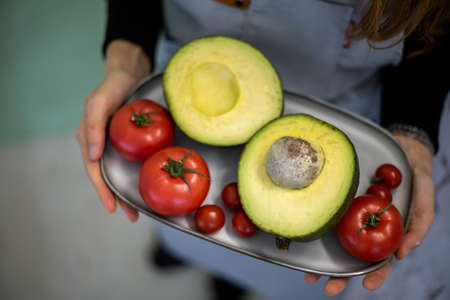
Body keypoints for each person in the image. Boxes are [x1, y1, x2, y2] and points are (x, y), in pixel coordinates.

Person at [76, 1, 450, 299]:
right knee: (184, 221)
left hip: (342, 107)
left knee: (271, 255)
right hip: (190, 84)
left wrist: (412, 130)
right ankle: (190, 253)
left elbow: (435, 34)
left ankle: (233, 277)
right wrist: (127, 58)